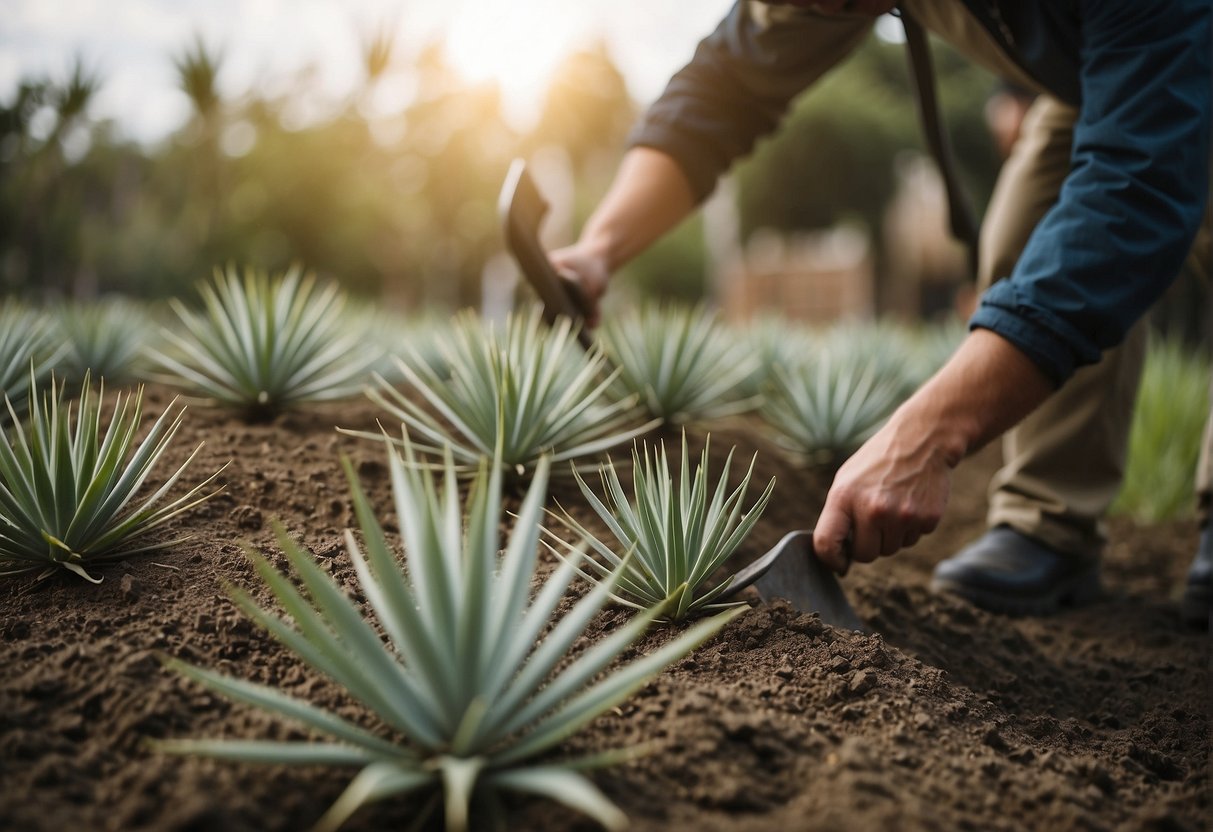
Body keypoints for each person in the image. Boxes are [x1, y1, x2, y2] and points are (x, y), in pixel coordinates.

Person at [548, 1, 1212, 622]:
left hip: (1176, 45)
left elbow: (1132, 193)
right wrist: (601, 247)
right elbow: (728, 84)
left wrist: (928, 434)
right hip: (1118, 68)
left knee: (1101, 222)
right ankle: (1050, 529)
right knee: (1028, 231)